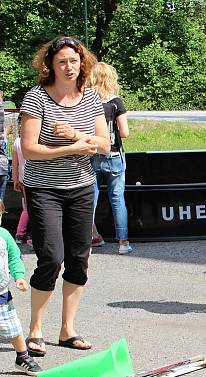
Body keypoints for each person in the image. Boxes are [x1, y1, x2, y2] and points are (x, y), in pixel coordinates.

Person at [19, 36, 110, 356]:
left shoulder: (91, 99)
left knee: (79, 260)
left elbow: (105, 144)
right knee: (51, 258)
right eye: (62, 62)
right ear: (51, 66)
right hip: (44, 189)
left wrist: (75, 135)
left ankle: (67, 329)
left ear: (82, 63)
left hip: (81, 187)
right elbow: (29, 150)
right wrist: (72, 148)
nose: (69, 67)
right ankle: (35, 330)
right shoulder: (36, 99)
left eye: (74, 61)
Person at [87, 62, 132, 255]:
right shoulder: (116, 102)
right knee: (117, 199)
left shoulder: (87, 101)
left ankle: (87, 240)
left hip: (92, 153)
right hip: (114, 155)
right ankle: (123, 242)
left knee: (90, 199)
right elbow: (125, 132)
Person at [0, 202, 42, 376]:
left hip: (1, 294)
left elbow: (14, 257)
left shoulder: (3, 235)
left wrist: (19, 276)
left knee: (13, 328)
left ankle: (22, 357)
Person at [11, 125, 31, 245]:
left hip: (23, 179)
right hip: (35, 179)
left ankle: (20, 233)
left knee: (26, 207)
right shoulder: (34, 141)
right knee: (30, 208)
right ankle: (20, 233)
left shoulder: (17, 142)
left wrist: (15, 180)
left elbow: (14, 163)